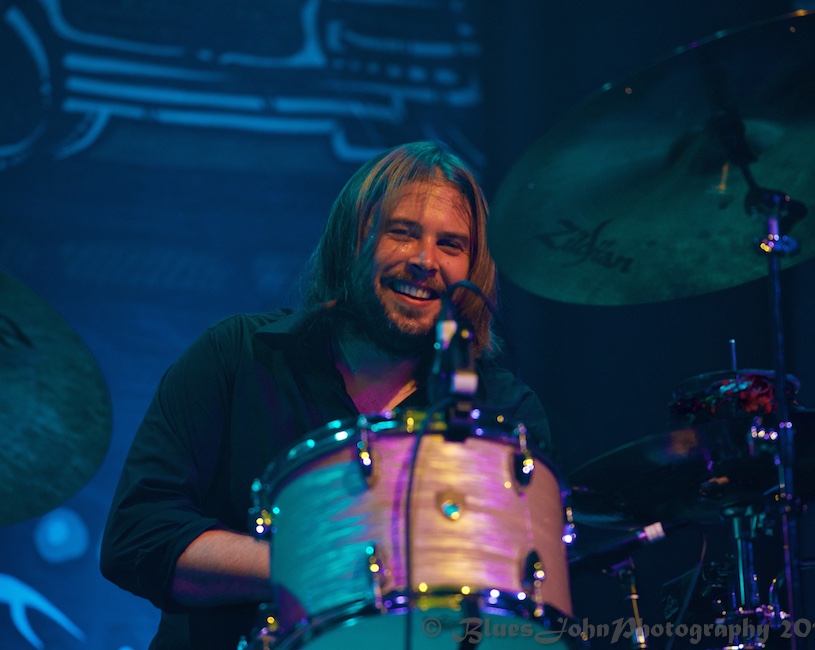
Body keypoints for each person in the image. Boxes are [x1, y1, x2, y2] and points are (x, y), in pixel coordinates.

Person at [100, 141, 554, 649]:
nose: (426, 261)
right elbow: (136, 537)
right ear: (353, 240)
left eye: (451, 245)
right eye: (402, 233)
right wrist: (324, 568)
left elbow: (517, 602)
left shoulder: (503, 411)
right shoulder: (236, 356)